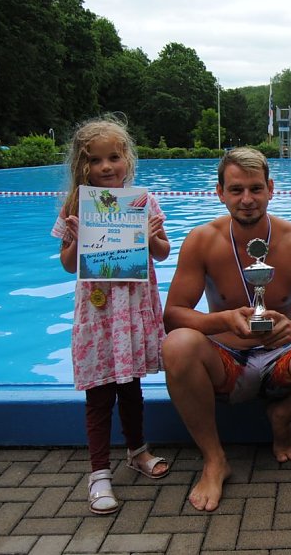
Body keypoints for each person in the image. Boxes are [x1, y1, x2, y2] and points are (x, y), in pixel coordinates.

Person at [163, 147, 291, 512]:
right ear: (219, 192)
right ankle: (214, 459)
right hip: (225, 363)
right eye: (236, 190)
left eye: (255, 188)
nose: (247, 200)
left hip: (282, 360)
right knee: (177, 345)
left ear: (271, 188)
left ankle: (282, 416)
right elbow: (172, 315)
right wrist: (222, 320)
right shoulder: (201, 241)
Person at [51, 116, 171, 515]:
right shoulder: (75, 205)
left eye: (114, 157)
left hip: (132, 310)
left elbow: (162, 253)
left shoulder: (142, 200)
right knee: (99, 393)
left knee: (131, 386)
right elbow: (68, 265)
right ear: (81, 165)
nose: (106, 167)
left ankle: (137, 451)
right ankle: (98, 472)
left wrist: (153, 235)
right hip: (99, 312)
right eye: (96, 160)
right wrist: (78, 236)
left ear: (127, 159)